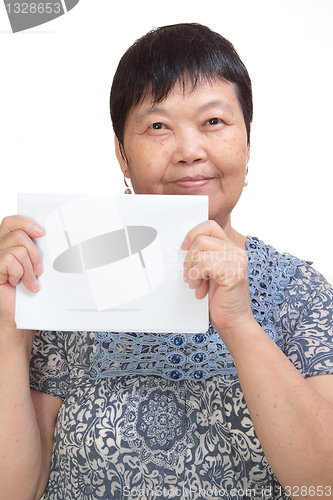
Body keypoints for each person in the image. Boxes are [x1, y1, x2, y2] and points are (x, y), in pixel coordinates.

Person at [0, 22, 333, 500]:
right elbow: (15, 492)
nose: (189, 151)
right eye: (158, 126)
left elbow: (323, 486)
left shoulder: (298, 291)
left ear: (248, 142)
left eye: (214, 122)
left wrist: (239, 324)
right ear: (121, 154)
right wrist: (8, 335)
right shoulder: (60, 284)